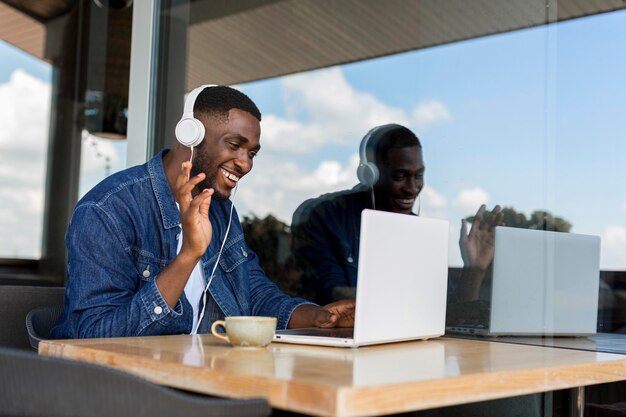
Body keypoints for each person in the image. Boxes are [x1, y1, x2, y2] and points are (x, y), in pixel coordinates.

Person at [52, 85, 354, 339]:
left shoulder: (221, 212)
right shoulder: (109, 210)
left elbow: (255, 294)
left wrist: (317, 317)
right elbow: (94, 336)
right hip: (120, 391)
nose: (245, 164)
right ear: (191, 135)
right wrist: (189, 255)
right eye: (235, 145)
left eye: (251, 153)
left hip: (201, 378)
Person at [291, 123, 502, 305]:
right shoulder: (323, 217)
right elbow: (336, 305)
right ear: (369, 175)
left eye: (418, 176)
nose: (412, 188)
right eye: (400, 176)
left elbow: (449, 316)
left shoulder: (421, 234)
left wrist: (475, 269)